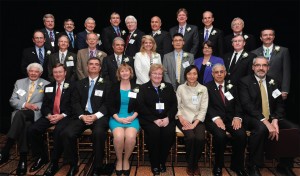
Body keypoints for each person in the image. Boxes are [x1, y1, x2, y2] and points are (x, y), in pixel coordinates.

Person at [238, 56, 299, 176]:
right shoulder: (244, 81)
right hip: (252, 117)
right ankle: (253, 165)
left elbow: (280, 103)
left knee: (294, 129)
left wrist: (275, 120)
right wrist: (266, 122)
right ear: (253, 67)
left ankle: (284, 165)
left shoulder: (273, 81)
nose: (261, 68)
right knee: (261, 128)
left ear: (268, 67)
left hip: (272, 117)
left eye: (264, 65)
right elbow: (247, 105)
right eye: (258, 65)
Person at [60, 57, 110, 176]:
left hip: (99, 117)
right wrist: (82, 116)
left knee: (98, 134)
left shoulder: (107, 84)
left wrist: (95, 116)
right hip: (82, 116)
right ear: (87, 67)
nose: (93, 66)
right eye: (91, 64)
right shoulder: (79, 84)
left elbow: (108, 103)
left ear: (100, 68)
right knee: (67, 133)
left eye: (96, 64)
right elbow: (75, 102)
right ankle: (73, 164)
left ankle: (98, 166)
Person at [0, 63, 49, 175]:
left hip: (35, 113)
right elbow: (12, 100)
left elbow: (46, 103)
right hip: (21, 113)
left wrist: (33, 106)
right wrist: (25, 105)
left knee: (21, 116)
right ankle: (23, 158)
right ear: (27, 72)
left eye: (36, 71)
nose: (33, 73)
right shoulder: (19, 82)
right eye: (31, 71)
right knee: (24, 124)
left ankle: (6, 148)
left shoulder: (46, 84)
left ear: (40, 73)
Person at [28, 64, 72, 175]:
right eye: (55, 72)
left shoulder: (73, 86)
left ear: (65, 73)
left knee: (58, 132)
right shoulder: (48, 86)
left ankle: (54, 162)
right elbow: (45, 106)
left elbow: (74, 105)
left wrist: (61, 115)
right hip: (50, 116)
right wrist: (48, 115)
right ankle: (41, 157)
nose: (57, 74)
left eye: (60, 72)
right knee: (32, 130)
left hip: (66, 116)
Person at [205, 63, 247, 176]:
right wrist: (216, 118)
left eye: (221, 72)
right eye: (216, 72)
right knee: (220, 136)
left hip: (231, 119)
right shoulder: (206, 87)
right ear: (212, 74)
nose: (219, 74)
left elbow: (239, 104)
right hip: (213, 120)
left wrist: (238, 117)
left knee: (241, 134)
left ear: (225, 73)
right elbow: (206, 106)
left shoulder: (232, 86)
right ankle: (218, 165)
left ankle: (237, 165)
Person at [137, 64, 177, 175]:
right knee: (154, 133)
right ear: (150, 75)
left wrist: (168, 118)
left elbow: (174, 105)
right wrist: (154, 119)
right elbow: (141, 106)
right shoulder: (143, 88)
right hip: (149, 119)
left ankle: (162, 161)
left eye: (160, 74)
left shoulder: (168, 86)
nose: (157, 76)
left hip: (166, 118)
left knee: (168, 133)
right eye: (155, 73)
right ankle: (155, 163)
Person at [107, 64, 140, 176]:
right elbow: (110, 105)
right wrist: (118, 119)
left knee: (131, 137)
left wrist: (133, 116)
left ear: (131, 73)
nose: (125, 73)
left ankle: (126, 159)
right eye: (122, 71)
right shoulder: (113, 86)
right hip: (116, 117)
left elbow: (140, 105)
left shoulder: (136, 87)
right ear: (119, 73)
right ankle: (119, 159)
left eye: (127, 71)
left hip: (132, 117)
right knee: (119, 137)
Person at [176, 65, 208, 175]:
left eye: (194, 73)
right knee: (190, 137)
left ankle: (194, 162)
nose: (192, 76)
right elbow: (177, 106)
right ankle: (191, 164)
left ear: (198, 75)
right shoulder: (181, 88)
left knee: (200, 138)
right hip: (183, 118)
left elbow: (203, 109)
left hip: (197, 120)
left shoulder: (203, 89)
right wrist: (182, 119)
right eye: (189, 73)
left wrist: (194, 124)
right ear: (185, 75)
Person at [251, 28, 290, 100]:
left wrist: (285, 90)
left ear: (274, 37)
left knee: (277, 109)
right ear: (261, 38)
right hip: (259, 87)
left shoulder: (283, 51)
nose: (268, 37)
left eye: (270, 35)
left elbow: (286, 71)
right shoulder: (254, 53)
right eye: (265, 35)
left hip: (277, 88)